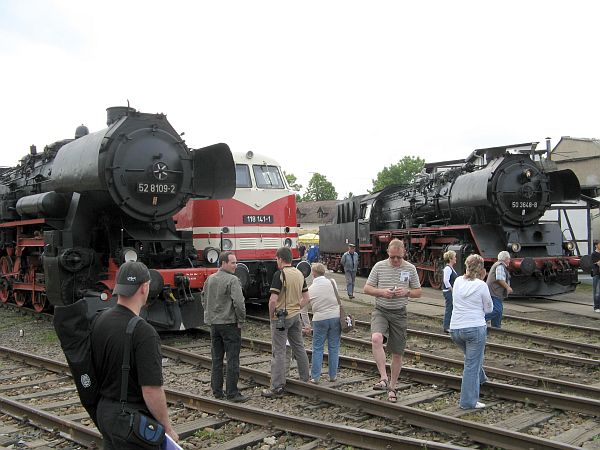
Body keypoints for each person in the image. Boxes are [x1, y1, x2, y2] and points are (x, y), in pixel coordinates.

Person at [91, 261, 178, 449]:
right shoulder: (144, 332)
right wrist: (167, 427)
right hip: (129, 420)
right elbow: (151, 389)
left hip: (104, 412)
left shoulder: (99, 319)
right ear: (145, 287)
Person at [363, 239, 422, 403]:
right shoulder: (379, 266)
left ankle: (392, 388)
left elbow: (418, 292)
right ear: (388, 253)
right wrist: (382, 292)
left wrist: (407, 292)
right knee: (376, 338)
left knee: (397, 353)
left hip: (399, 313)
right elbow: (367, 288)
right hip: (381, 310)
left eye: (398, 257)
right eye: (392, 257)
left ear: (403, 253)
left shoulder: (410, 268)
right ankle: (383, 378)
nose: (395, 260)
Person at [262, 246, 311, 397]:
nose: (276, 262)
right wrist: (297, 307)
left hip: (281, 318)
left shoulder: (280, 274)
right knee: (299, 347)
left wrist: (271, 316)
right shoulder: (299, 273)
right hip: (295, 316)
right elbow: (307, 298)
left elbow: (273, 300)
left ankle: (277, 386)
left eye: (277, 259)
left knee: (279, 351)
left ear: (281, 259)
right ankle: (305, 378)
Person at [202, 251, 247, 402]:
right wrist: (241, 320)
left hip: (214, 324)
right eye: (233, 263)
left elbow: (203, 298)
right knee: (233, 358)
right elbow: (239, 303)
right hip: (229, 324)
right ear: (223, 263)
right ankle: (232, 393)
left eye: (235, 262)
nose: (235, 265)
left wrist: (210, 313)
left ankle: (217, 390)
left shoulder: (210, 279)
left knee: (217, 358)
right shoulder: (233, 280)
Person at [449, 254, 493, 409]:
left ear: (466, 266)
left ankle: (480, 378)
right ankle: (468, 402)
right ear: (481, 269)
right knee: (471, 364)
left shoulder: (458, 281)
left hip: (455, 329)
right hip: (474, 328)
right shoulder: (481, 285)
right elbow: (489, 308)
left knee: (472, 359)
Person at [301, 263, 342, 383]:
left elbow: (303, 310)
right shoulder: (333, 282)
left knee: (318, 348)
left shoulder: (310, 289)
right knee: (334, 348)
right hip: (335, 317)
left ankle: (315, 377)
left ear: (313, 274)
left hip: (320, 320)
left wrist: (307, 325)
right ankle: (333, 376)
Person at [485, 251, 512, 328]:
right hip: (494, 291)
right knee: (497, 310)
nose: (509, 261)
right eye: (509, 259)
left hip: (495, 291)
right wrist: (507, 287)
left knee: (499, 311)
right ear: (506, 259)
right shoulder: (500, 266)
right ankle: (481, 320)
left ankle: (496, 327)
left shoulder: (498, 265)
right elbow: (499, 279)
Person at [442, 250, 458, 333]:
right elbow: (446, 280)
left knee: (451, 308)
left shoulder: (451, 268)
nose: (456, 258)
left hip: (450, 291)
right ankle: (446, 326)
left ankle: (449, 325)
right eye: (454, 257)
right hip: (448, 292)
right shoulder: (448, 268)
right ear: (451, 259)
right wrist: (452, 290)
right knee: (449, 308)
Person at [591, 240, 600, 313]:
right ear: (596, 245)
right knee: (597, 291)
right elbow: (598, 264)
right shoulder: (594, 254)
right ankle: (596, 306)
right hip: (597, 274)